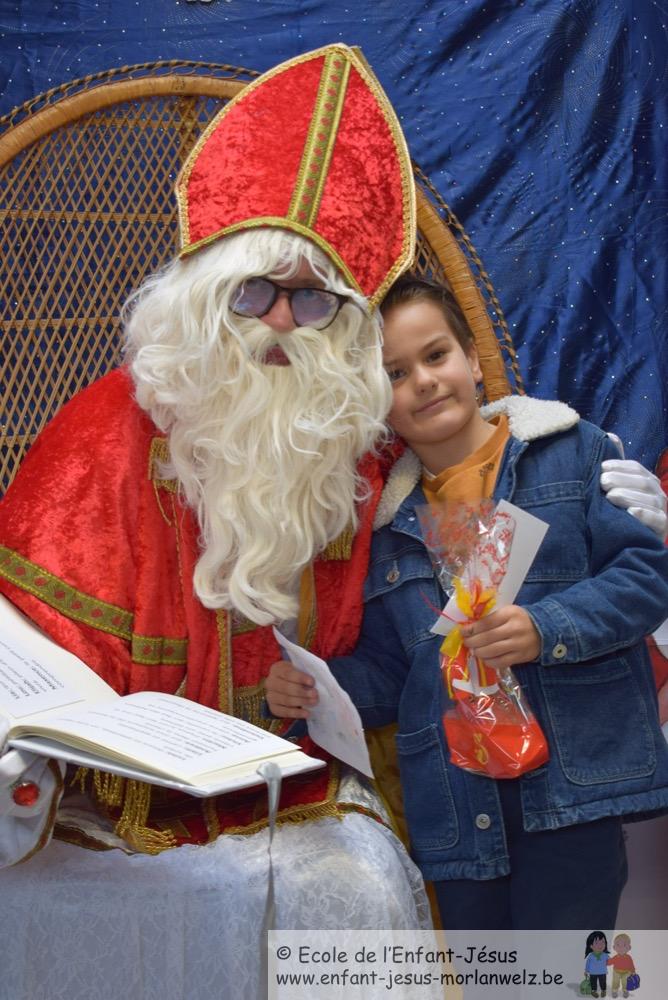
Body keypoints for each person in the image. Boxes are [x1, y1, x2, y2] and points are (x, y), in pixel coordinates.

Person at [0, 45, 429, 1000]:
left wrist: (527, 451)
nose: (280, 321)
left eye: (310, 298)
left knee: (356, 883)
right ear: (202, 300)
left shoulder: (350, 455)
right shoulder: (104, 429)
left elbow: (454, 483)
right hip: (96, 799)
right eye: (253, 291)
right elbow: (23, 641)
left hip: (289, 780)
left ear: (342, 326)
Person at [266, 275, 668, 931]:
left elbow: (647, 578)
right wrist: (314, 689)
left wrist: (545, 627)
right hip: (459, 811)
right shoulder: (386, 526)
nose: (423, 382)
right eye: (395, 373)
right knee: (487, 977)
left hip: (571, 794)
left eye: (435, 355)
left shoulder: (572, 452)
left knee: (565, 974)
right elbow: (393, 670)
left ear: (474, 360)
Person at [607, 933, 636, 998]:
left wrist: (633, 971)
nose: (621, 948)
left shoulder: (628, 957)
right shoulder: (615, 957)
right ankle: (614, 991)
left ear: (629, 947)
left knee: (625, 982)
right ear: (614, 947)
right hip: (616, 971)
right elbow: (610, 962)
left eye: (624, 945)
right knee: (615, 981)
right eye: (618, 945)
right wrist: (605, 962)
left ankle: (625, 990)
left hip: (626, 972)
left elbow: (631, 965)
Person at [585, 932, 610, 998]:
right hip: (593, 972)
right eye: (596, 943)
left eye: (603, 942)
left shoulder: (605, 955)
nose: (600, 945)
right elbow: (588, 963)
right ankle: (593, 991)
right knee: (593, 982)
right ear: (591, 946)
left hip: (602, 972)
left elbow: (610, 961)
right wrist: (586, 971)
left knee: (603, 982)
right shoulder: (591, 955)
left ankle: (603, 991)